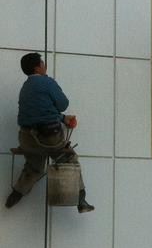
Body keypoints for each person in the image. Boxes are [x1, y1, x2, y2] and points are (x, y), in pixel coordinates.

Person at [5, 53, 94, 212]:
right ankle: (81, 200)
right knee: (69, 159)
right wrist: (62, 116)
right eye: (42, 63)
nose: (44, 65)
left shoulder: (25, 87)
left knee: (34, 168)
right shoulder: (47, 82)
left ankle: (16, 194)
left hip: (27, 138)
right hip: (49, 137)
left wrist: (62, 118)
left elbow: (38, 112)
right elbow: (63, 104)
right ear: (37, 67)